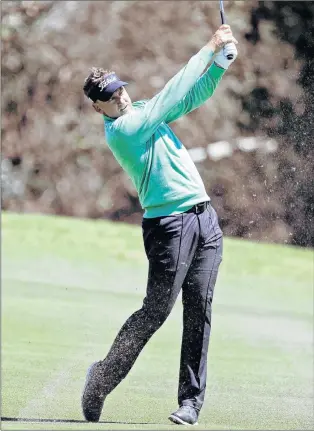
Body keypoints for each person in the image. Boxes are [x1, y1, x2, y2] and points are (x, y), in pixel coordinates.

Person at [82, 24, 238, 426]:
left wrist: (219, 66)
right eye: (110, 96)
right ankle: (100, 378)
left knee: (198, 312)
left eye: (120, 88)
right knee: (155, 313)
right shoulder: (125, 129)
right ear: (99, 108)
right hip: (169, 227)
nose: (120, 95)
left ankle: (190, 403)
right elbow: (172, 91)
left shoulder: (144, 112)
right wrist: (209, 46)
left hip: (205, 221)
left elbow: (192, 95)